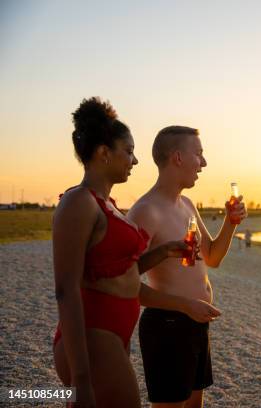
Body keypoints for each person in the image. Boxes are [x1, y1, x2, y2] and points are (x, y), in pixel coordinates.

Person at [53, 98, 187, 407]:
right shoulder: (78, 203)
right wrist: (81, 379)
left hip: (113, 334)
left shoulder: (107, 205)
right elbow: (66, 290)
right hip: (93, 336)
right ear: (103, 153)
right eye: (128, 152)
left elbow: (120, 269)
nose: (135, 161)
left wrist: (164, 251)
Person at [127, 125, 246, 408]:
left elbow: (213, 257)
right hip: (167, 325)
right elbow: (126, 283)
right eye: (199, 154)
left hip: (195, 323)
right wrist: (184, 306)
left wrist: (231, 223)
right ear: (178, 157)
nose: (203, 163)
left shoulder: (187, 204)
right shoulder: (146, 210)